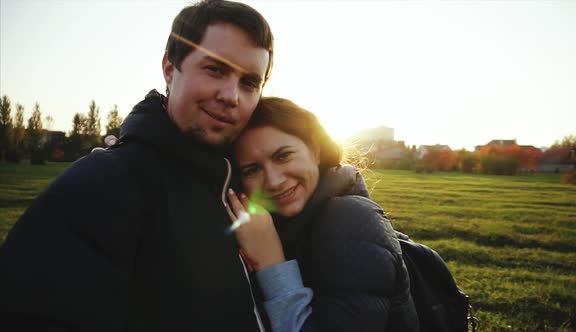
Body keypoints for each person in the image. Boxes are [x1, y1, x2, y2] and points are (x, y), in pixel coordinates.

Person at [0, 1, 275, 330]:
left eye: (249, 83)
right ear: (170, 68)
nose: (232, 95)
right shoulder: (101, 188)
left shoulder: (246, 182)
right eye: (215, 69)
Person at [226, 97, 420, 332]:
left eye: (283, 156)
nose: (274, 181)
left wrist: (271, 263)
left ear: (315, 150)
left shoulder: (351, 220)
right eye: (252, 169)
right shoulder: (287, 223)